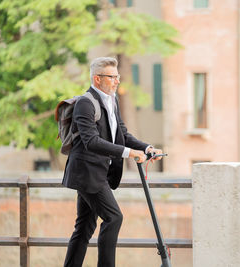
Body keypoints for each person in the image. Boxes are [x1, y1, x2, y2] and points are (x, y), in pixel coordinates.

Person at [62, 57, 162, 267]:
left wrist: (146, 148)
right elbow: (91, 141)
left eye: (118, 76)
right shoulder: (85, 103)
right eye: (112, 77)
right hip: (87, 173)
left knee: (85, 227)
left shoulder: (112, 100)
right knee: (113, 218)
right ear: (97, 79)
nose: (117, 81)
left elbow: (122, 134)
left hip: (97, 172)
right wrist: (129, 153)